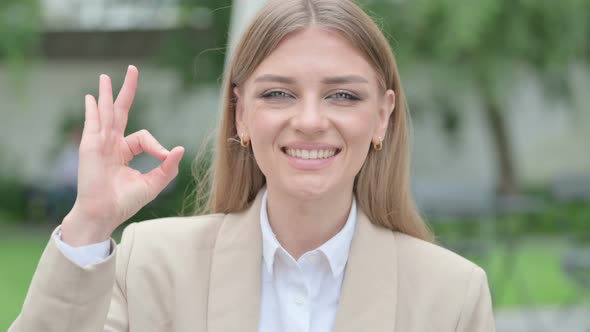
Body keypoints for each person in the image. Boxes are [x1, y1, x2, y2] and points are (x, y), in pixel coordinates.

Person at [10, 0, 495, 331]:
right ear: (241, 113)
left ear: (382, 116)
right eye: (278, 93)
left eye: (342, 95)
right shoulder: (152, 267)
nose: (309, 120)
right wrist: (90, 224)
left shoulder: (451, 296)